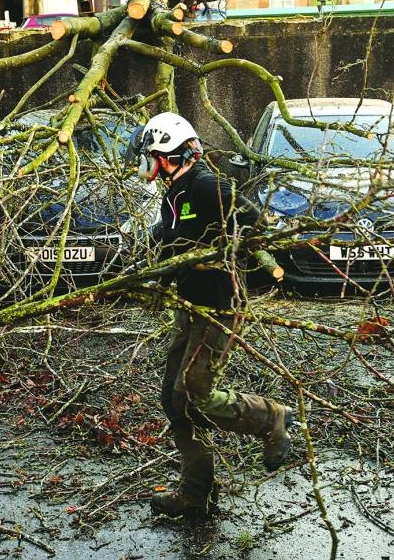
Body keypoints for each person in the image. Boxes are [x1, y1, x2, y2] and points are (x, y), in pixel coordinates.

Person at [131, 111, 294, 518]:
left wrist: (226, 250)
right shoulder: (175, 193)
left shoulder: (207, 186)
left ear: (161, 154)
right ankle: (194, 494)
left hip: (218, 308)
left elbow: (256, 223)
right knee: (174, 399)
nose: (144, 164)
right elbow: (172, 241)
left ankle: (269, 417)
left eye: (147, 155)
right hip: (190, 307)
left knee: (195, 397)